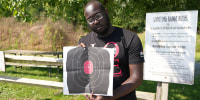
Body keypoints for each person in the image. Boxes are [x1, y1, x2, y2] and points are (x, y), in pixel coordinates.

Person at [78, 0, 144, 100]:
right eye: (90, 19)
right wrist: (76, 56)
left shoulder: (130, 38)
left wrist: (108, 97)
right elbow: (81, 75)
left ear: (106, 11)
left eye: (98, 16)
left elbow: (137, 78)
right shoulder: (84, 41)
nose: (95, 21)